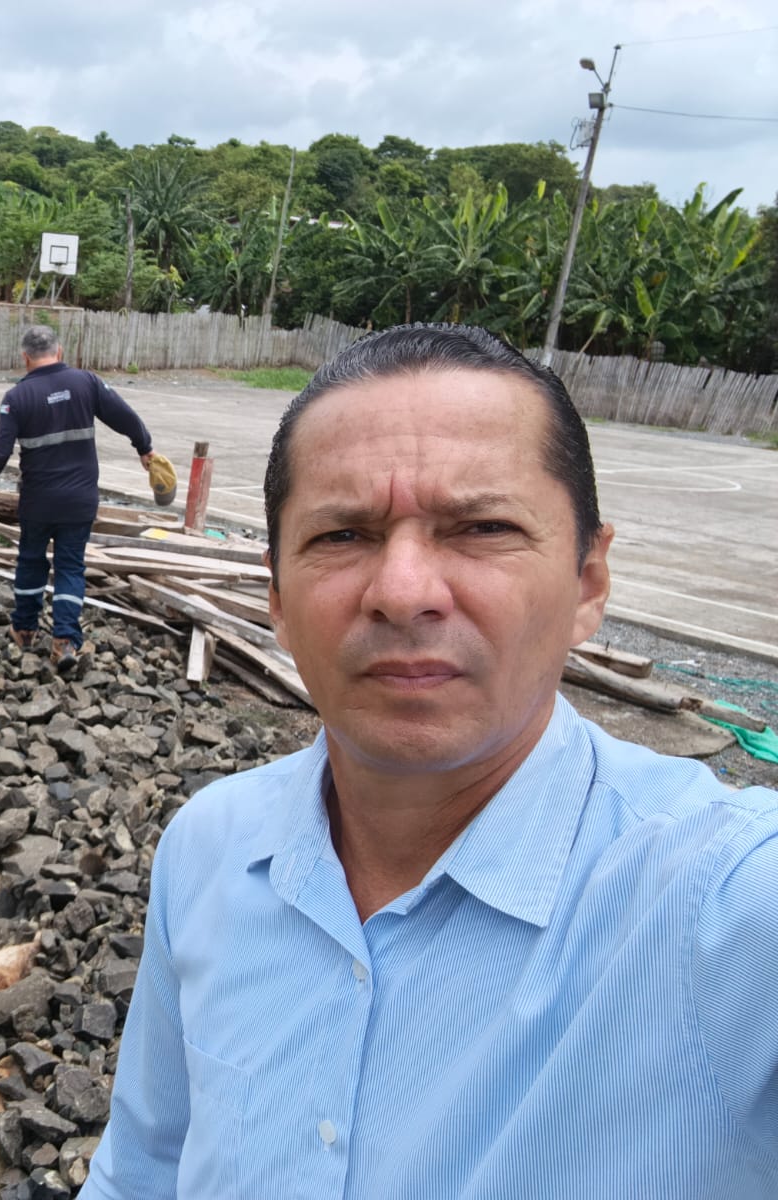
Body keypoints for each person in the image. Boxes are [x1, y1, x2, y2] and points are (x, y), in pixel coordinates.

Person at [83, 324, 778, 1198]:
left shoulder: (728, 909)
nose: (404, 592)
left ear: (589, 582)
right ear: (277, 599)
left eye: (482, 528)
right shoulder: (209, 849)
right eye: (343, 535)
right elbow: (141, 1171)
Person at [0, 324, 154, 672]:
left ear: (25, 358)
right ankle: (65, 641)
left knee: (31, 560)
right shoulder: (86, 382)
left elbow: (0, 449)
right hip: (79, 499)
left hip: (38, 501)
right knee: (70, 565)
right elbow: (125, 416)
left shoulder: (16, 397)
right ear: (59, 352)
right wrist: (144, 447)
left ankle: (24, 630)